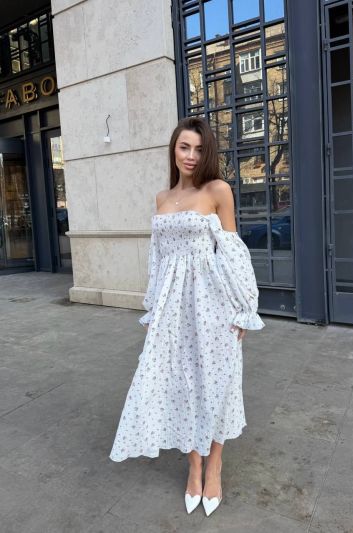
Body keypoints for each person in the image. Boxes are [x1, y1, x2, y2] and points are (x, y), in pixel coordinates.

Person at [109, 116, 265, 516]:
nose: (191, 156)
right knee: (181, 383)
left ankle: (215, 465)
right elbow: (158, 259)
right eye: (184, 147)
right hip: (173, 310)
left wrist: (244, 307)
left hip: (213, 305)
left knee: (218, 382)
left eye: (198, 148)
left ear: (206, 152)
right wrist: (153, 308)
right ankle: (193, 466)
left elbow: (232, 251)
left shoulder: (218, 191)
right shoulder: (162, 198)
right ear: (174, 150)